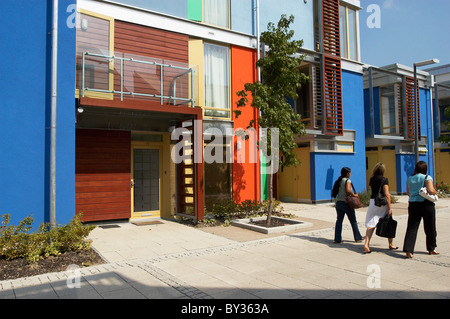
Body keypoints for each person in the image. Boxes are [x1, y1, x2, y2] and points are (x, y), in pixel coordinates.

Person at [403, 161, 439, 259]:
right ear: (425, 169)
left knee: (412, 227)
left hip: (413, 204)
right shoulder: (427, 177)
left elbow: (408, 192)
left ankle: (408, 250)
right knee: (430, 227)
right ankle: (431, 249)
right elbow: (431, 190)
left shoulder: (409, 178)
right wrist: (436, 192)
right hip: (426, 204)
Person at [363, 163, 398, 254]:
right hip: (382, 203)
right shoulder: (384, 180)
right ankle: (391, 244)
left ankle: (366, 244)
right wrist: (390, 208)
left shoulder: (372, 179)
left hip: (373, 202)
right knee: (388, 221)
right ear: (383, 170)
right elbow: (386, 194)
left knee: (371, 223)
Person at [331, 167, 364, 243]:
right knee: (353, 221)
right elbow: (348, 190)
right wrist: (354, 195)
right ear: (347, 173)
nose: (350, 174)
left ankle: (337, 239)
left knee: (339, 221)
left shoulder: (339, 181)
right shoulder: (347, 180)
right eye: (350, 173)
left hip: (339, 203)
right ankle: (358, 237)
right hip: (346, 203)